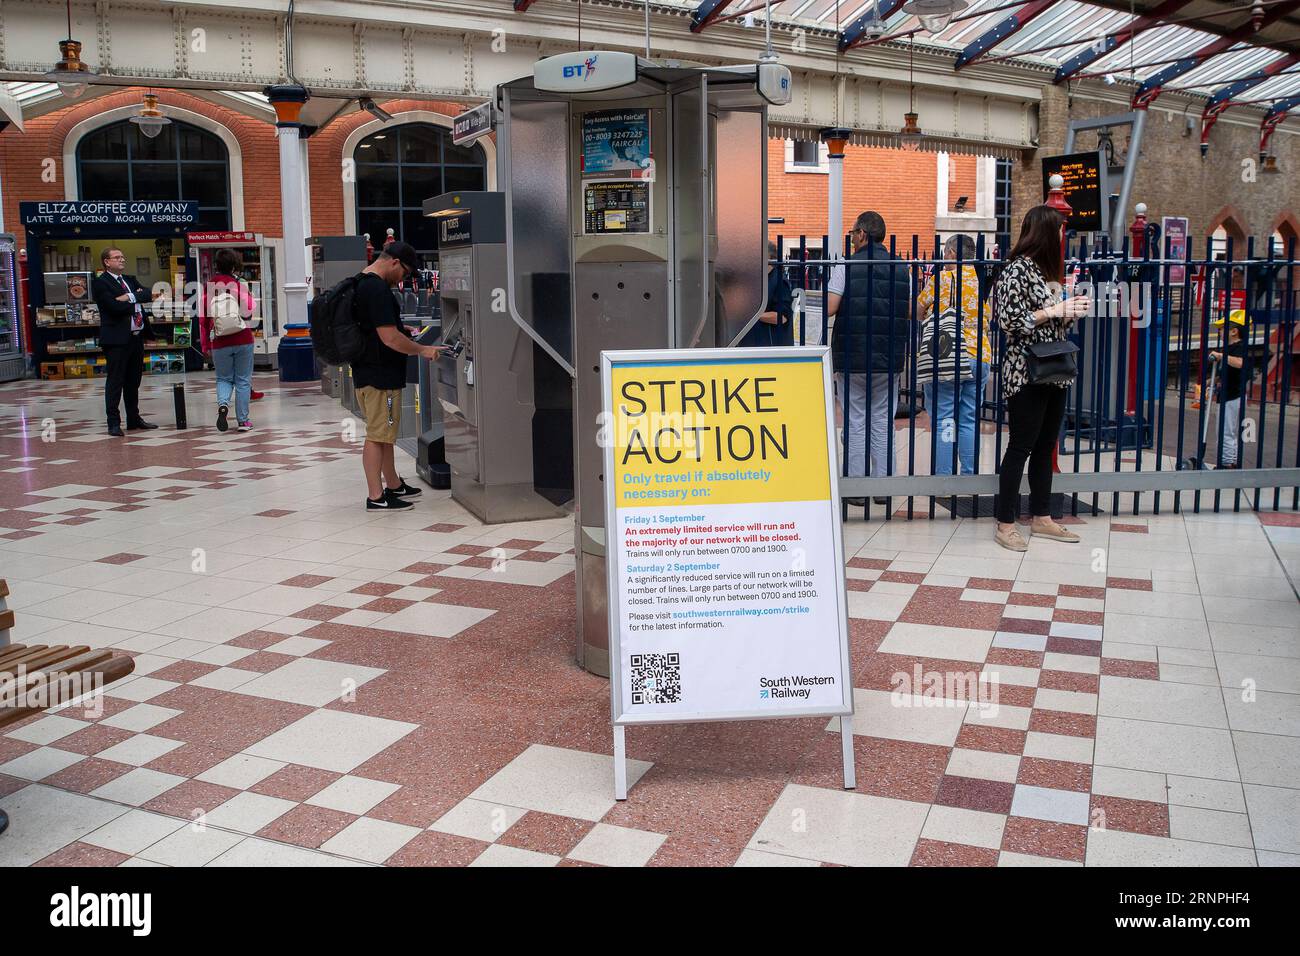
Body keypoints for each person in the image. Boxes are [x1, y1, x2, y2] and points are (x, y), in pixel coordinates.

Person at [992, 205, 1091, 551]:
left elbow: (1051, 322)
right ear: (1045, 233)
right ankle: (1005, 523)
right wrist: (1054, 309)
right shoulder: (1015, 270)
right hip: (1026, 372)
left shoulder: (1045, 273)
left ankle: (1042, 517)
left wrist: (1070, 311)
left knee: (1047, 445)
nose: (1064, 237)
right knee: (1021, 446)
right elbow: (1010, 321)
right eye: (1060, 230)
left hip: (1055, 371)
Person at [351, 241, 445, 510]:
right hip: (380, 376)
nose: (403, 278)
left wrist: (398, 327)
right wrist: (422, 349)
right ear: (394, 262)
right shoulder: (377, 288)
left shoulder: (362, 281)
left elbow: (377, 328)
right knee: (377, 435)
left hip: (369, 371)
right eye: (404, 272)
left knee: (385, 434)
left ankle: (393, 484)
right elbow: (389, 338)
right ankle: (376, 497)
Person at [826, 211, 909, 505]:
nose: (850, 239)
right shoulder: (901, 268)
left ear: (862, 234)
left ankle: (857, 488)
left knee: (855, 420)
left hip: (853, 357)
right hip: (889, 358)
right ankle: (883, 487)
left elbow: (831, 307)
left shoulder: (845, 266)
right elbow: (906, 310)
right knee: (883, 420)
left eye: (851, 233)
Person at [914, 234, 993, 475]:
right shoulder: (982, 280)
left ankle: (945, 478)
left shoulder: (942, 279)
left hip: (949, 356)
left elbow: (918, 310)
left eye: (945, 253)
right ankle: (969, 476)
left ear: (951, 254)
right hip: (980, 356)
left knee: (945, 418)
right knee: (969, 419)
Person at [91, 247, 159, 436]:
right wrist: (132, 301)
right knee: (115, 381)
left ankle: (134, 418)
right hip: (116, 340)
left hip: (135, 337)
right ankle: (113, 422)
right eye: (117, 257)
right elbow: (113, 307)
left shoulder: (129, 279)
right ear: (107, 262)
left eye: (122, 256)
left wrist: (128, 296)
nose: (122, 259)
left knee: (133, 381)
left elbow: (147, 294)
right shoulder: (100, 283)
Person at [200, 248, 257, 432]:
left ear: (216, 266)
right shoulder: (238, 286)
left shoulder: (208, 289)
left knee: (223, 378)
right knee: (242, 380)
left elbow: (203, 321)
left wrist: (205, 345)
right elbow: (250, 309)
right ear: (234, 266)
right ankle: (243, 421)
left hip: (219, 341)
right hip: (243, 338)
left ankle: (223, 405)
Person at [1209, 309, 1248, 468]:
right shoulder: (1229, 348)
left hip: (1233, 396)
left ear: (1234, 331)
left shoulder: (1239, 347)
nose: (1219, 331)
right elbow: (1229, 371)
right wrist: (1214, 380)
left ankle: (1227, 464)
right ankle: (1229, 461)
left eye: (1222, 328)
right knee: (1225, 431)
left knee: (1226, 431)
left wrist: (1219, 356)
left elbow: (1240, 363)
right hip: (1227, 395)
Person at [736, 242, 794, 348]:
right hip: (750, 344)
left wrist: (752, 316)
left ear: (770, 258)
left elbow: (781, 317)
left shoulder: (779, 281)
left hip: (770, 346)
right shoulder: (755, 279)